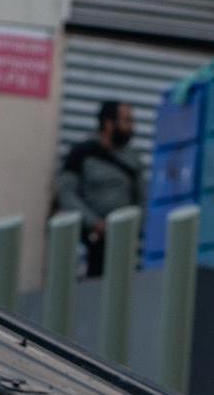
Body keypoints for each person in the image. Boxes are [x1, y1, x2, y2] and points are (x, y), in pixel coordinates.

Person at [53, 100, 145, 278]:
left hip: (122, 241)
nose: (132, 127)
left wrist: (135, 230)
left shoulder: (133, 160)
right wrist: (95, 223)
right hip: (88, 240)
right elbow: (66, 193)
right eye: (126, 121)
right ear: (109, 124)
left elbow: (141, 199)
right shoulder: (82, 153)